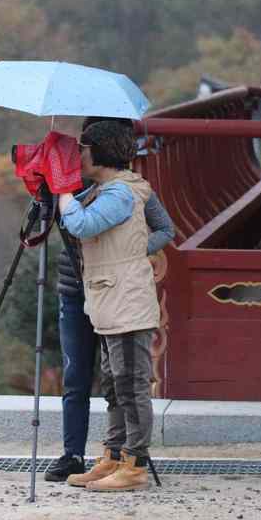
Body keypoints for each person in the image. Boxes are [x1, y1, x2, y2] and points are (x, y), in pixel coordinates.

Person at [44, 117, 174, 484]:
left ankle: (134, 465)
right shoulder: (107, 189)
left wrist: (62, 187)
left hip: (126, 302)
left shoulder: (119, 192)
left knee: (131, 384)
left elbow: (81, 225)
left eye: (83, 150)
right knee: (115, 383)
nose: (79, 157)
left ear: (100, 152)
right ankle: (114, 456)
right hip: (110, 300)